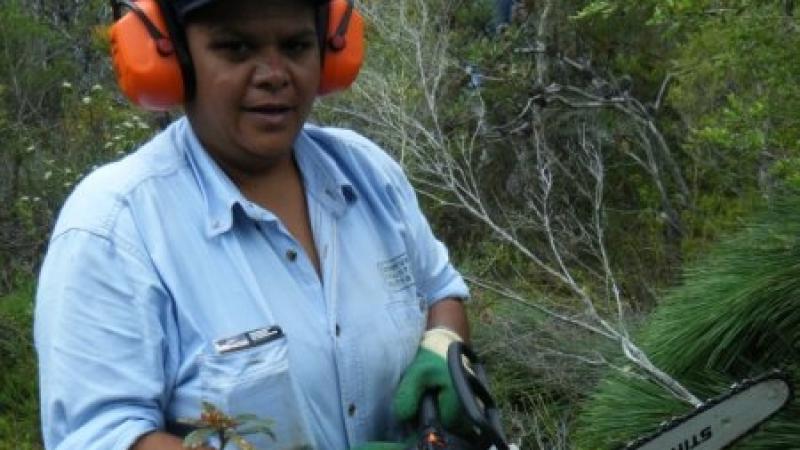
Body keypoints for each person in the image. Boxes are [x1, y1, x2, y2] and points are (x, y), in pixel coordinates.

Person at [34, 0, 472, 449]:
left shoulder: (368, 173)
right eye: (236, 49)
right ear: (177, 61)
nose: (274, 74)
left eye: (296, 45)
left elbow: (441, 290)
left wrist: (442, 343)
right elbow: (102, 436)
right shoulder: (116, 225)